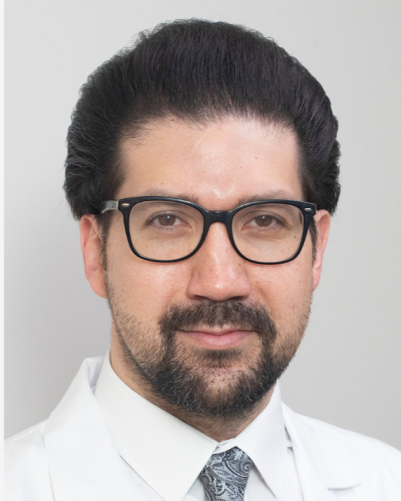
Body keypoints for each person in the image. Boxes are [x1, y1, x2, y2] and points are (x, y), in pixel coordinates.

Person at [5, 19, 401, 501]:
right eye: (167, 220)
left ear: (316, 249)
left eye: (265, 220)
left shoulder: (387, 482)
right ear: (95, 251)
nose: (219, 282)